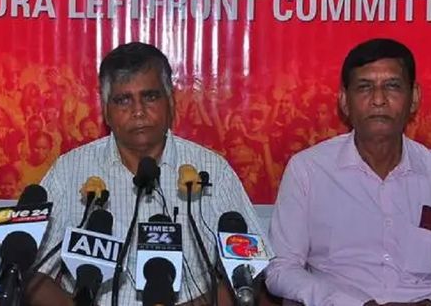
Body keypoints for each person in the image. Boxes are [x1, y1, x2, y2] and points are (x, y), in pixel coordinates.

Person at [264, 38, 431, 305]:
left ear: (414, 98)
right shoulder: (309, 171)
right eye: (364, 87)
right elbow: (281, 269)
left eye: (392, 86)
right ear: (344, 101)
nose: (379, 100)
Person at [25, 42, 267, 306]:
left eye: (150, 97)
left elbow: (250, 269)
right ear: (105, 109)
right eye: (123, 100)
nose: (138, 111)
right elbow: (30, 272)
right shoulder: (69, 171)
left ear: (170, 101)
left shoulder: (212, 171)